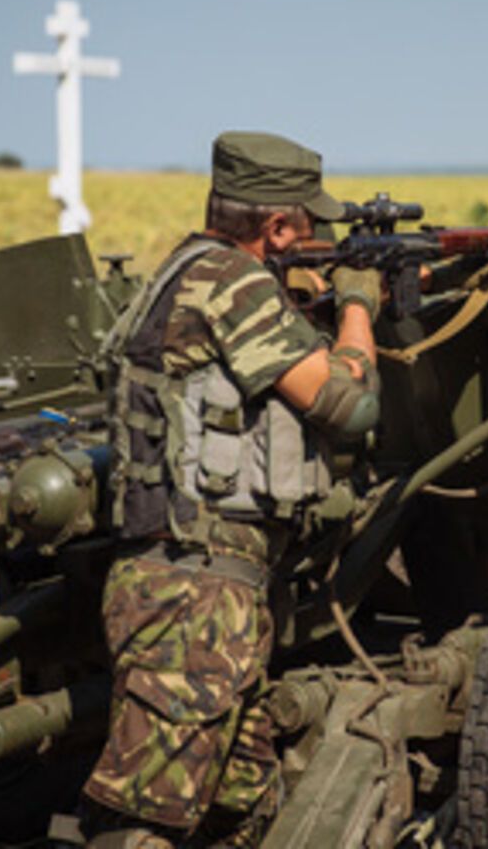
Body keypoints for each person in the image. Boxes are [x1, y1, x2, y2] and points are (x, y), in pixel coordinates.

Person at [81, 131, 382, 848]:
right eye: (310, 224)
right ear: (277, 228)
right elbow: (350, 405)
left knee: (239, 812)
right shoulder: (234, 282)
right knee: (142, 824)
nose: (319, 237)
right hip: (193, 598)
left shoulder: (187, 268)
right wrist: (358, 306)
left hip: (209, 592)